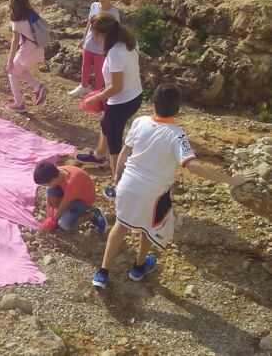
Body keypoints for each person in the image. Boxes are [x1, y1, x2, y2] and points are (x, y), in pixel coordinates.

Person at [91, 84, 257, 288]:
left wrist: (117, 179)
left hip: (128, 184)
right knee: (149, 229)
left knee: (121, 225)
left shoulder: (140, 122)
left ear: (153, 104)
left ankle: (102, 273)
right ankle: (138, 268)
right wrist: (232, 179)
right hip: (154, 193)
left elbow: (125, 153)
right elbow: (193, 166)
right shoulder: (177, 135)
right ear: (178, 110)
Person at [76, 13, 143, 197]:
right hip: (135, 95)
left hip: (120, 101)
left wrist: (95, 98)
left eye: (94, 33)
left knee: (115, 146)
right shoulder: (129, 42)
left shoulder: (115, 53)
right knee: (106, 124)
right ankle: (98, 156)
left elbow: (116, 86)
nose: (93, 36)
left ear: (103, 33)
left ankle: (118, 184)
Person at [69, 0, 120, 97]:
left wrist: (110, 46)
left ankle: (97, 91)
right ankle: (83, 86)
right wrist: (83, 39)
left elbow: (116, 30)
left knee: (99, 70)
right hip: (89, 42)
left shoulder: (114, 12)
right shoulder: (94, 6)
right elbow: (89, 23)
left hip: (102, 46)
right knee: (85, 65)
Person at [33, 162, 107, 234]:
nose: (44, 186)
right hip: (70, 193)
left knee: (64, 224)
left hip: (83, 200)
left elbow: (63, 205)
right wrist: (49, 217)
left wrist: (53, 222)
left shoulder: (72, 183)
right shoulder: (56, 172)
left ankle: (93, 214)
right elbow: (49, 196)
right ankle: (67, 213)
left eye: (45, 184)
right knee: (49, 190)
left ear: (53, 180)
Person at [5, 0, 48, 113]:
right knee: (21, 69)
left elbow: (14, 41)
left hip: (27, 49)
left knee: (12, 72)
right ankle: (37, 87)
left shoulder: (16, 20)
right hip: (38, 48)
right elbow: (46, 24)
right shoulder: (32, 14)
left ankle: (19, 104)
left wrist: (9, 61)